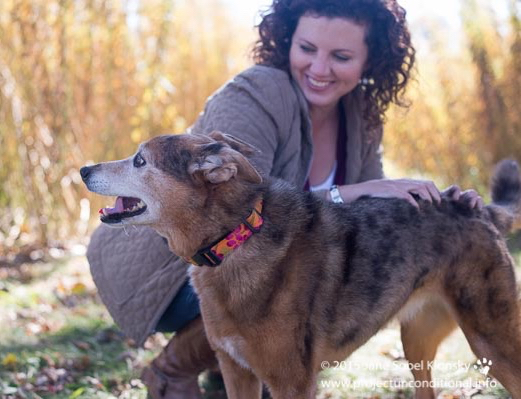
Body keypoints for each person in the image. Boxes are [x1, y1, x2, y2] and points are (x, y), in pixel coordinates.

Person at [86, 0, 483, 398]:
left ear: (370, 61)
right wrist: (351, 192)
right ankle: (171, 371)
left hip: (253, 263)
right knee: (264, 281)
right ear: (288, 40)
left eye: (341, 56)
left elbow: (367, 214)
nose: (320, 68)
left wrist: (437, 210)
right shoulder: (256, 92)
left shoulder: (359, 116)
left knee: (285, 282)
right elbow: (229, 209)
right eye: (307, 49)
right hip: (166, 264)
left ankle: (236, 373)